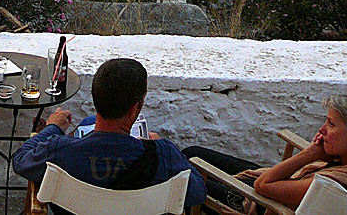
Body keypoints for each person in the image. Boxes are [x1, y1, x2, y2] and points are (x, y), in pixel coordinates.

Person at [13, 58, 206, 215]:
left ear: (96, 98)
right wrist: (164, 147)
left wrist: (52, 127)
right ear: (135, 108)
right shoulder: (163, 156)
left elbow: (21, 159)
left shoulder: (60, 151)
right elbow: (197, 194)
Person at [183, 93, 347, 214]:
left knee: (183, 179)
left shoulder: (331, 186)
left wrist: (311, 154)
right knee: (191, 153)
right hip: (288, 184)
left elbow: (262, 186)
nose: (322, 130)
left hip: (261, 205)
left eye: (331, 124)